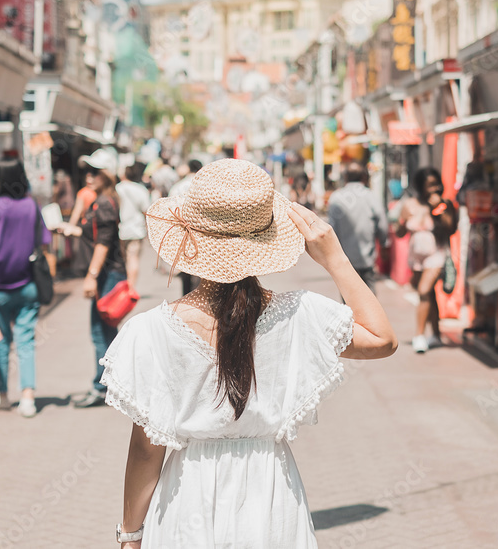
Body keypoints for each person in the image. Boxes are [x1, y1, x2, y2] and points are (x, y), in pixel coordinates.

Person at [100, 159, 396, 547]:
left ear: (191, 237)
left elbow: (146, 450)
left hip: (187, 498)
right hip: (271, 497)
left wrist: (130, 533)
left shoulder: (149, 331)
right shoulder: (300, 314)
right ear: (267, 240)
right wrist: (334, 257)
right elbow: (381, 338)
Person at [0, 159, 51, 418]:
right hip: (28, 285)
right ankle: (28, 398)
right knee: (25, 342)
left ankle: (1, 395)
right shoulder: (31, 206)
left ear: (0, 180)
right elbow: (43, 243)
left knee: (0, 343)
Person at [60, 162, 127, 408]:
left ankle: (102, 387)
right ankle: (114, 385)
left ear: (106, 175)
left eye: (95, 172)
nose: (89, 176)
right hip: (107, 274)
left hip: (107, 275)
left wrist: (92, 274)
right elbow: (95, 237)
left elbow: (103, 244)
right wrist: (73, 230)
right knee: (107, 332)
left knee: (101, 331)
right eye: (87, 172)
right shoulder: (101, 201)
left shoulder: (106, 203)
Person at [397, 167, 455, 353]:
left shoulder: (443, 203)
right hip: (416, 256)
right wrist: (402, 221)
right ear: (420, 186)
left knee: (423, 291)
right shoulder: (410, 205)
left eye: (435, 184)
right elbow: (400, 233)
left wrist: (437, 209)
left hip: (436, 253)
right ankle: (436, 335)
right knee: (429, 295)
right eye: (428, 185)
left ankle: (419, 336)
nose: (433, 188)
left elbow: (451, 228)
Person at [327, 161, 388, 293]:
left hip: (344, 259)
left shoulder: (336, 198)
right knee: (370, 297)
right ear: (364, 177)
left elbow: (331, 229)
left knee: (348, 298)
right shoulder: (370, 196)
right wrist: (384, 243)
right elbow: (382, 222)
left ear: (346, 177)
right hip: (367, 258)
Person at [168, 159, 204, 295]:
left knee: (185, 265)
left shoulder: (178, 186)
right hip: (201, 231)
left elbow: (171, 208)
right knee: (199, 266)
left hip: (182, 230)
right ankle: (198, 294)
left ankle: (187, 296)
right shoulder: (204, 186)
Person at [116, 162, 151, 288]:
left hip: (120, 230)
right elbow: (147, 211)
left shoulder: (116, 189)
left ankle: (123, 286)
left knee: (122, 260)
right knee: (133, 258)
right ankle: (130, 287)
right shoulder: (140, 189)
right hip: (136, 230)